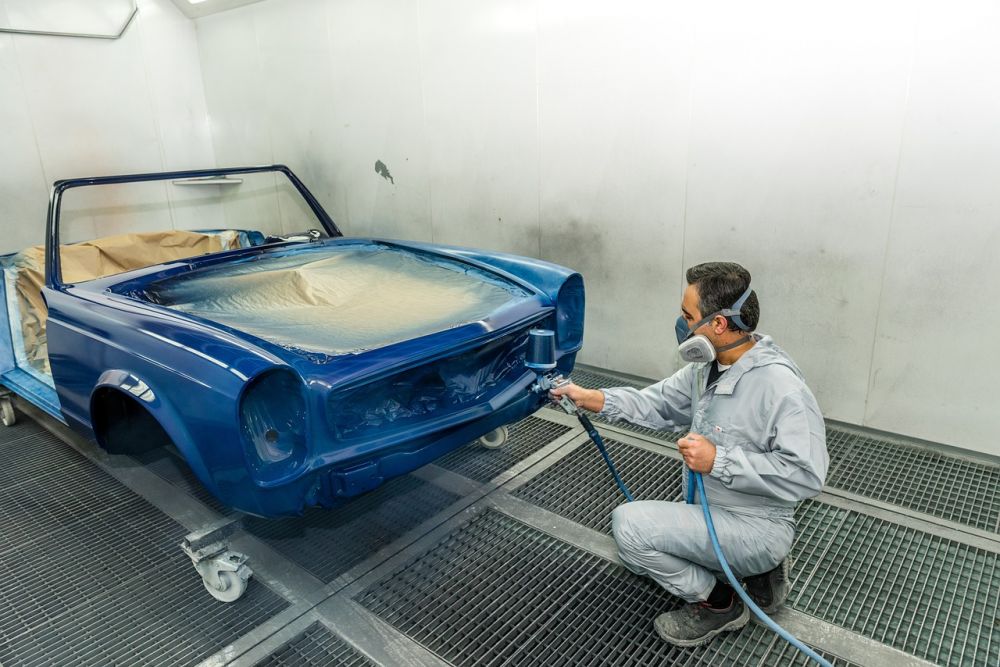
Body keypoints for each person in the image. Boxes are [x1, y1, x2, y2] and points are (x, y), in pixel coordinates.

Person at [551, 261, 828, 647]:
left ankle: (721, 603)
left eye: (687, 316)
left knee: (630, 530)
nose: (682, 324)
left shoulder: (781, 388)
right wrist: (590, 398)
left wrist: (719, 461)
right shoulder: (709, 368)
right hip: (715, 510)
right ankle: (754, 572)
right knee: (648, 544)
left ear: (719, 324)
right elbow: (656, 404)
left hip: (756, 526)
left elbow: (808, 474)